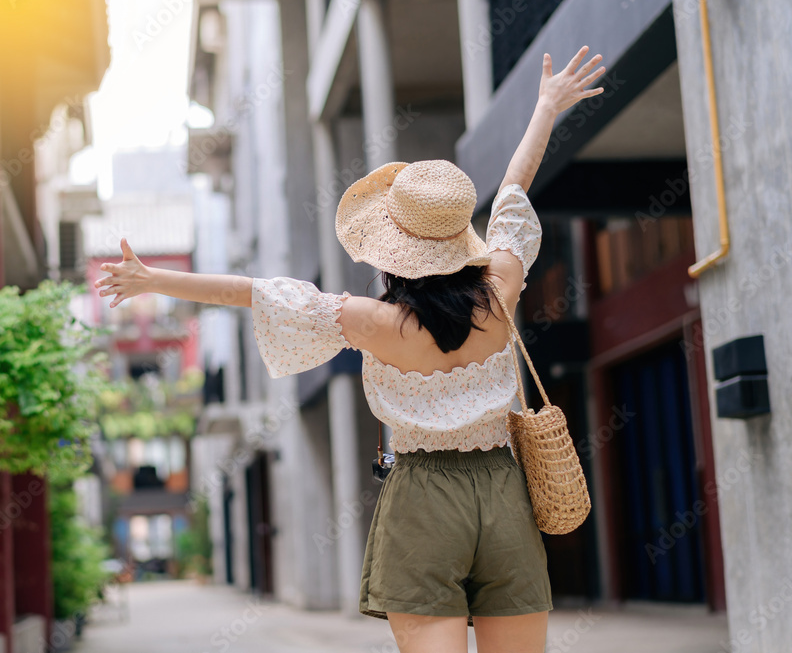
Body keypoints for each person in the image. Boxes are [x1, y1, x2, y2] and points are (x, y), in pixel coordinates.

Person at [95, 46, 605, 653]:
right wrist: (546, 106)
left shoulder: (370, 321)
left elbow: (251, 292)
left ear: (393, 252)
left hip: (422, 499)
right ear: (457, 236)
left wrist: (155, 280)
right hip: (504, 490)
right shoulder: (500, 288)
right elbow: (514, 193)